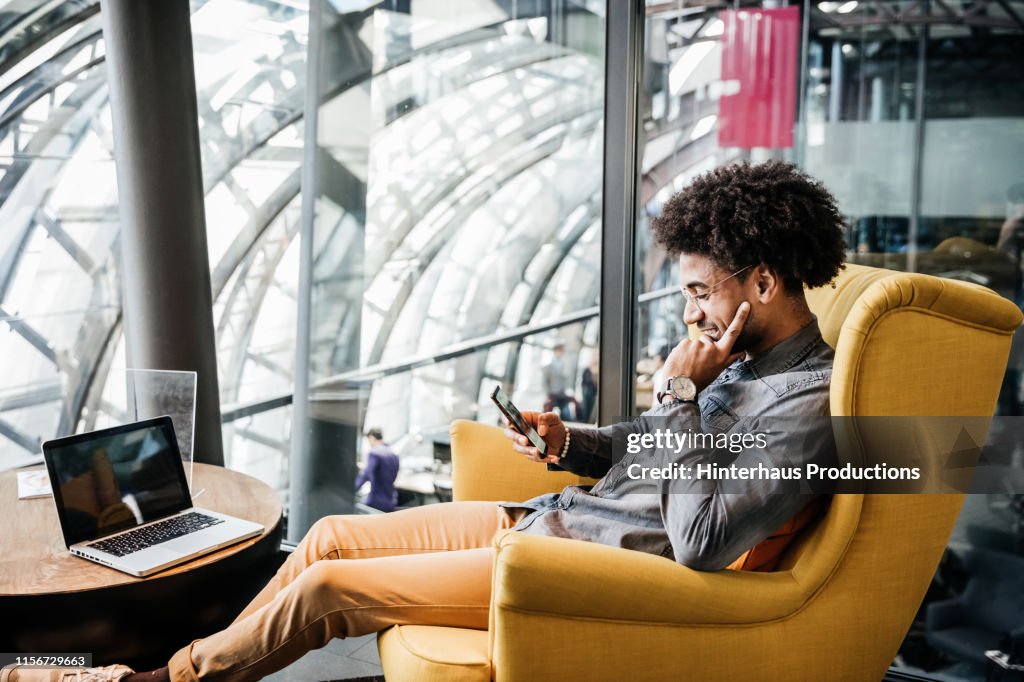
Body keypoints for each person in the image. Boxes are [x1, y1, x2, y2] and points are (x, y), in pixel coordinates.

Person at [3, 161, 847, 682]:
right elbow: (660, 454)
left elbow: (700, 539)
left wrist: (676, 397)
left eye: (701, 291)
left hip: (572, 567)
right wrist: (574, 443)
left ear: (763, 283)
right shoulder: (737, 367)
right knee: (331, 533)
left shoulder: (806, 409)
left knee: (331, 588)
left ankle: (166, 681)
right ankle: (231, 653)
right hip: (553, 519)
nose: (693, 310)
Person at [354, 428, 400, 512]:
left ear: (372, 438)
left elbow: (366, 474)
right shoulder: (394, 454)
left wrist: (353, 489)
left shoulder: (374, 453)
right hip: (390, 500)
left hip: (376, 501)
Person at [541, 343, 575, 419]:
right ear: (555, 351)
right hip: (552, 394)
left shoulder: (564, 365)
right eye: (560, 350)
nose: (561, 353)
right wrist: (548, 394)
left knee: (567, 414)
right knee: (545, 415)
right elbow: (545, 382)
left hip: (561, 394)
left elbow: (567, 380)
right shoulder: (548, 365)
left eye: (562, 351)